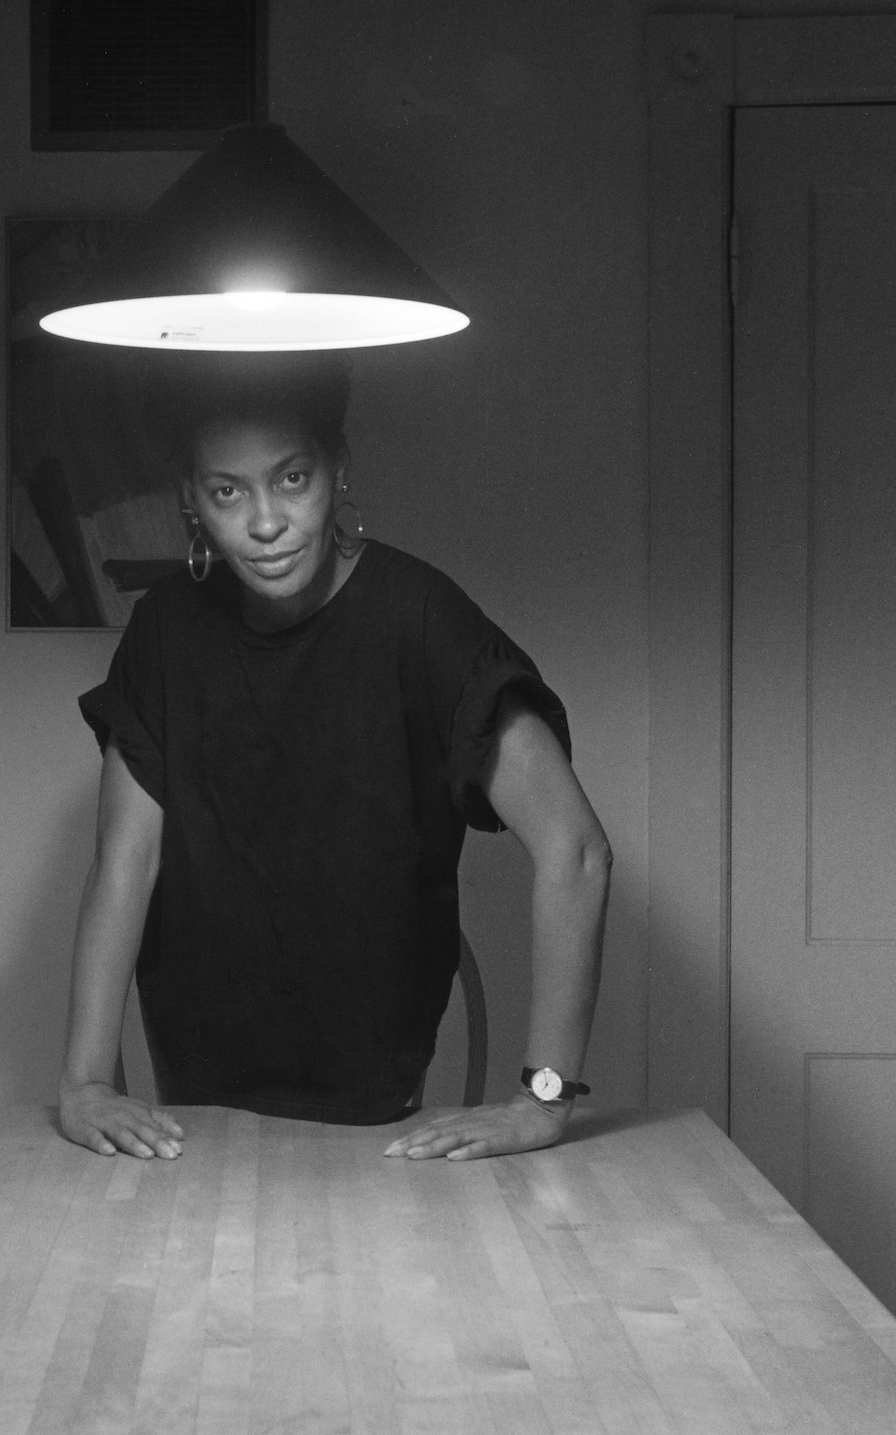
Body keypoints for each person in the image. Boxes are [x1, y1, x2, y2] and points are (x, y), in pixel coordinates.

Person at [58, 355, 611, 1162]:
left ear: (337, 470)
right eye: (227, 492)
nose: (266, 523)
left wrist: (544, 1100)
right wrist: (83, 1084)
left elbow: (579, 850)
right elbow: (124, 863)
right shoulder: (167, 631)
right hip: (193, 1094)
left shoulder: (419, 617)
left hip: (374, 1095)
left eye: (291, 479)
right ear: (191, 502)